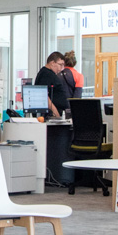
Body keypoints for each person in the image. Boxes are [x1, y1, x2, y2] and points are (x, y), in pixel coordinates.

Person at [35, 52, 77, 191]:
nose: (61, 68)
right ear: (52, 62)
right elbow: (44, 95)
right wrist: (55, 112)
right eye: (60, 64)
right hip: (54, 115)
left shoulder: (49, 74)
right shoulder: (46, 74)